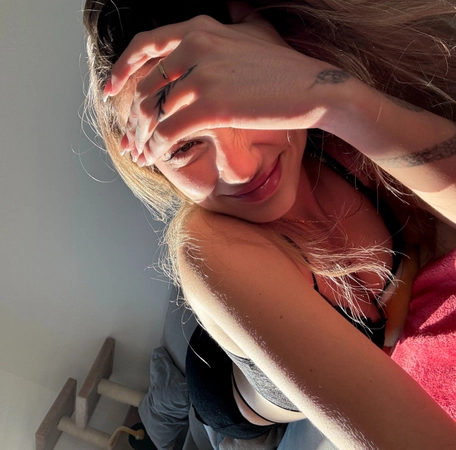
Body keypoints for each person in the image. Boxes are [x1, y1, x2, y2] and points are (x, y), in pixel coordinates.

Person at [83, 1, 456, 448]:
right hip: (229, 392)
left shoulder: (337, 141)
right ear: (152, 165)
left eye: (240, 100)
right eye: (182, 147)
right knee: (180, 409)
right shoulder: (211, 247)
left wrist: (336, 98)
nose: (240, 169)